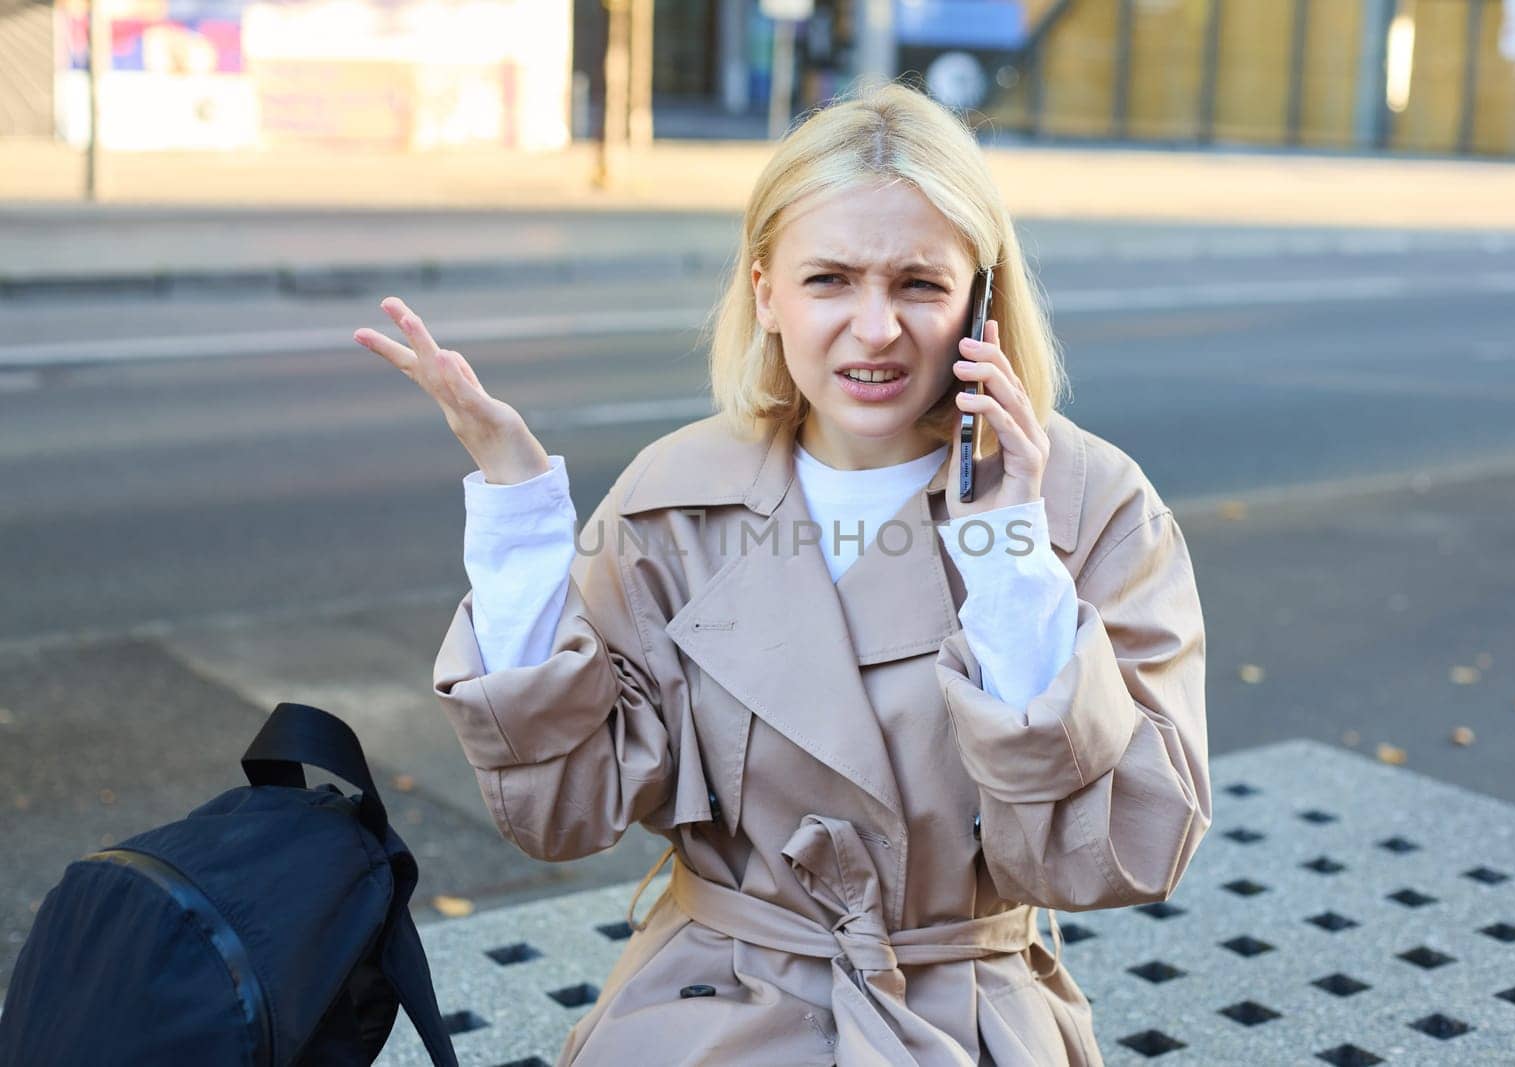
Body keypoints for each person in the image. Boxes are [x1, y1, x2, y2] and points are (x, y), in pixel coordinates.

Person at [353, 80, 1209, 1067]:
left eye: (919, 284)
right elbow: (564, 808)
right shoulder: (673, 492)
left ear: (981, 293)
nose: (876, 327)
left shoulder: (1089, 502)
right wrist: (516, 517)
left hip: (966, 1015)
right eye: (830, 278)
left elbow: (1123, 851)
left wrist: (1008, 552)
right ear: (765, 291)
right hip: (711, 999)